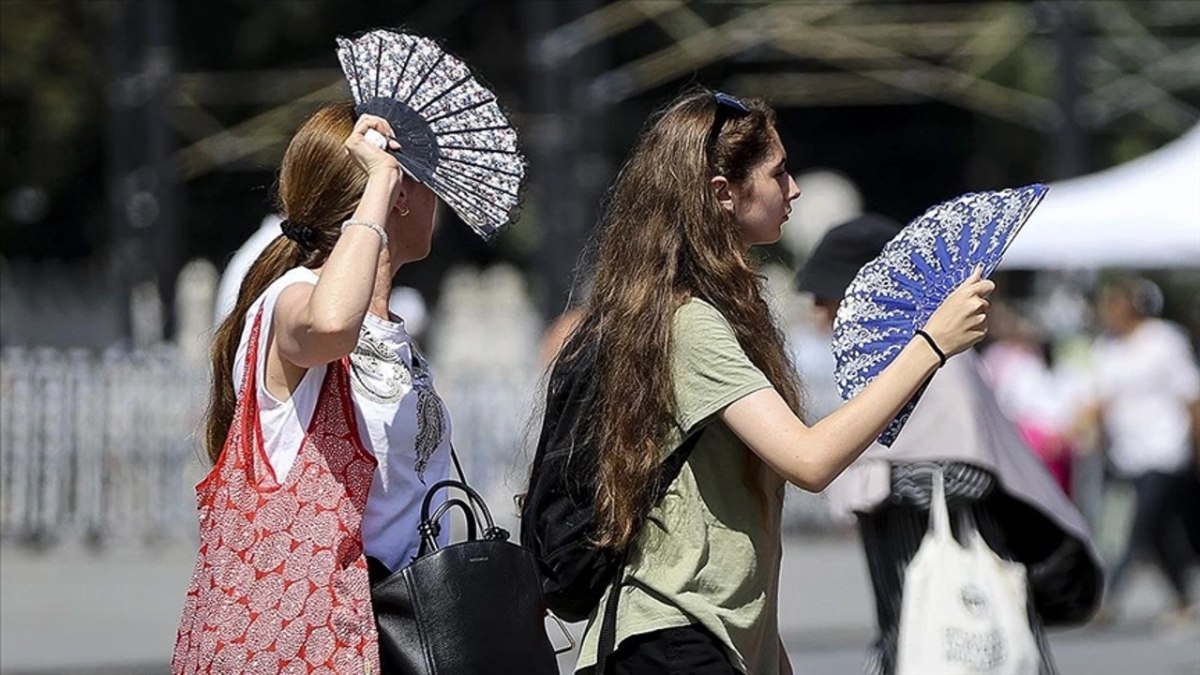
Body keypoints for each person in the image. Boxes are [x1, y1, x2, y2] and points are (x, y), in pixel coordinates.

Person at [545, 88, 995, 675]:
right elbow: (808, 461)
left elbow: (730, 527)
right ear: (722, 194)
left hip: (702, 639)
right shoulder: (691, 323)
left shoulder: (705, 311)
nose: (795, 188)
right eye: (779, 173)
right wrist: (930, 345)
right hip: (671, 642)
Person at [173, 103, 453, 672]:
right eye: (428, 182)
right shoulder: (292, 297)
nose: (439, 200)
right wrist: (380, 180)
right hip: (309, 637)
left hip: (391, 629)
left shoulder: (394, 333)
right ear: (397, 193)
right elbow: (330, 325)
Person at [795, 215, 1104, 675]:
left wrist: (873, 475)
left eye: (827, 297)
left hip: (964, 607)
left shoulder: (939, 359)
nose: (819, 313)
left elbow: (970, 474)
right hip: (908, 612)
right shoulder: (884, 363)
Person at [1084, 276, 1200, 625]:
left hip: (1164, 448)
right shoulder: (1107, 348)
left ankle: (1108, 598)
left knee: (1138, 524)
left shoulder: (1165, 342)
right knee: (1157, 529)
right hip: (1126, 452)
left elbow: (1190, 396)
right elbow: (1101, 399)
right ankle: (1183, 595)